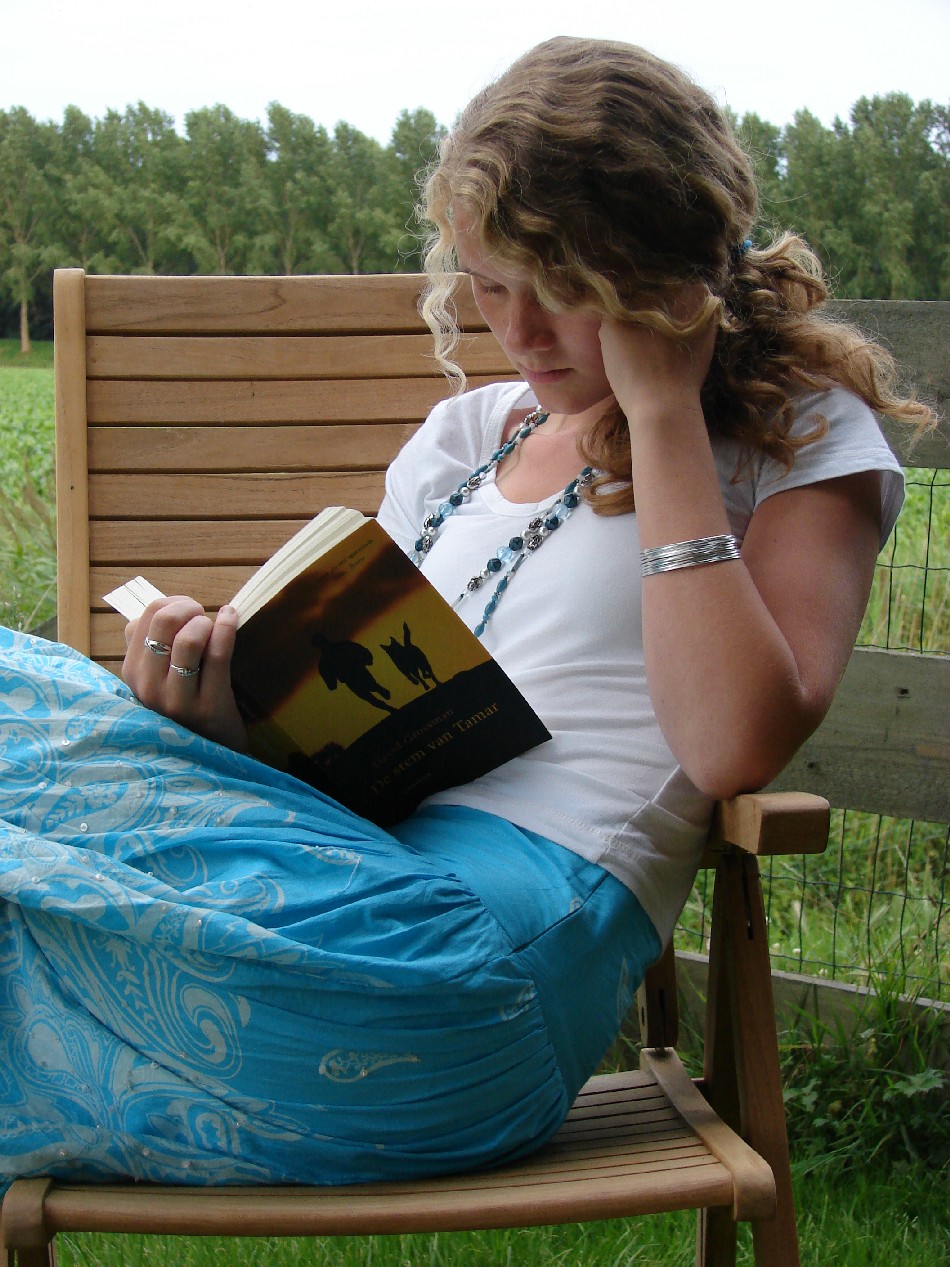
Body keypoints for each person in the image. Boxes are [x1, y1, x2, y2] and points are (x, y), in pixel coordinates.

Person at [0, 36, 929, 1194]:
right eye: (492, 287)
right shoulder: (463, 439)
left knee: (379, 949)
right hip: (316, 873)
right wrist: (217, 718)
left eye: (566, 294)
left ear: (663, 281)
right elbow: (348, 743)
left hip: (448, 963)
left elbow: (732, 741)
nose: (521, 336)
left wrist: (660, 411)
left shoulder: (791, 432)